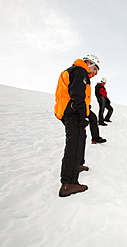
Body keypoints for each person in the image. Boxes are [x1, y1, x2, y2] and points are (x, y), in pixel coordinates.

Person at [54, 54, 100, 197]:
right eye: (94, 70)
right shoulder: (80, 71)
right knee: (74, 144)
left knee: (80, 139)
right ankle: (68, 183)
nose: (93, 74)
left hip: (67, 110)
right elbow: (77, 95)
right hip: (72, 111)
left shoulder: (72, 70)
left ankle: (77, 165)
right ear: (88, 63)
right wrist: (81, 116)